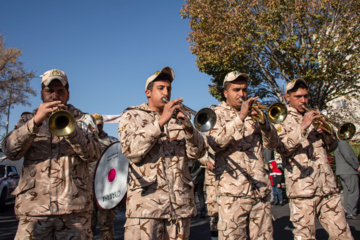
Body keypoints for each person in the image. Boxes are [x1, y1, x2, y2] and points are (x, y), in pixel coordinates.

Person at [1, 69, 102, 240]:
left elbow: (94, 155)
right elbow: (10, 151)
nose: (55, 95)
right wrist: (35, 122)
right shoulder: (27, 119)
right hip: (34, 211)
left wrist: (71, 129)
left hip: (74, 211)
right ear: (42, 93)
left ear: (68, 95)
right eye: (49, 91)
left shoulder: (83, 120)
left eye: (60, 91)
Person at [118, 66, 206, 240]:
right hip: (145, 210)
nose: (166, 92)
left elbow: (197, 153)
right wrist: (160, 122)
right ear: (148, 92)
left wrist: (188, 128)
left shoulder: (178, 119)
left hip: (179, 208)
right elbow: (131, 151)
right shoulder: (132, 115)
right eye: (161, 88)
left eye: (169, 89)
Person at [275, 78, 353, 239]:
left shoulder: (314, 115)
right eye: (298, 96)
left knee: (343, 234)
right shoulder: (280, 118)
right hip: (302, 190)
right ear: (287, 97)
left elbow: (331, 148)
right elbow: (282, 148)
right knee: (305, 236)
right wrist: (303, 126)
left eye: (305, 96)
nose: (303, 100)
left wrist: (327, 134)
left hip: (327, 187)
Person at [205, 71, 279, 240]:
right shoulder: (215, 113)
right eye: (236, 90)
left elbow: (273, 144)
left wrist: (264, 123)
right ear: (226, 93)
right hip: (232, 194)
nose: (241, 94)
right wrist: (240, 118)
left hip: (259, 191)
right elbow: (216, 143)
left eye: (244, 90)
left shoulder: (255, 114)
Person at [90, 113, 117, 240]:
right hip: (87, 190)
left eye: (99, 125)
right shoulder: (84, 140)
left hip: (105, 189)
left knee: (106, 226)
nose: (97, 128)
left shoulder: (111, 141)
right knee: (87, 227)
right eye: (95, 125)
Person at [334, 139, 360, 220]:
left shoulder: (337, 143)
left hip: (342, 171)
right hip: (348, 171)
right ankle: (351, 212)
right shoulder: (343, 143)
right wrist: (357, 167)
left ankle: (347, 211)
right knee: (354, 192)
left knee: (347, 191)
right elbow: (348, 156)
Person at [198, 150, 219, 240]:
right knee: (214, 214)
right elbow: (198, 152)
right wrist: (206, 161)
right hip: (212, 182)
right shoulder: (207, 137)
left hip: (230, 181)